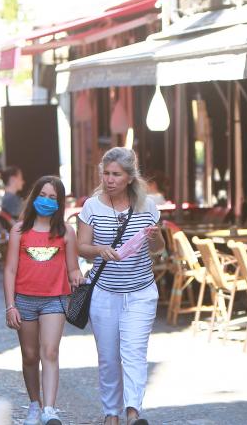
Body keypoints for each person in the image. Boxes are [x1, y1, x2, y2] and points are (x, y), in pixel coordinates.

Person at [77, 147, 165, 425]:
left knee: (135, 352)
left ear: (129, 177)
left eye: (116, 174)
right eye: (106, 173)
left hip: (140, 291)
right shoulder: (92, 207)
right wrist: (99, 249)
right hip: (104, 294)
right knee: (108, 357)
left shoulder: (147, 206)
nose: (110, 179)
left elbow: (159, 249)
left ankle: (132, 413)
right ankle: (111, 413)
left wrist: (156, 238)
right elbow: (81, 247)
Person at [4, 175, 83, 425]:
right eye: (43, 195)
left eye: (53, 198)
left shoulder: (66, 232)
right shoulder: (19, 230)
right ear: (34, 197)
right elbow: (9, 270)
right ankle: (35, 404)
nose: (47, 201)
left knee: (50, 351)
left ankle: (50, 410)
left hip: (54, 301)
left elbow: (72, 269)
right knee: (29, 355)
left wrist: (78, 276)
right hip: (24, 300)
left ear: (59, 203)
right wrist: (10, 305)